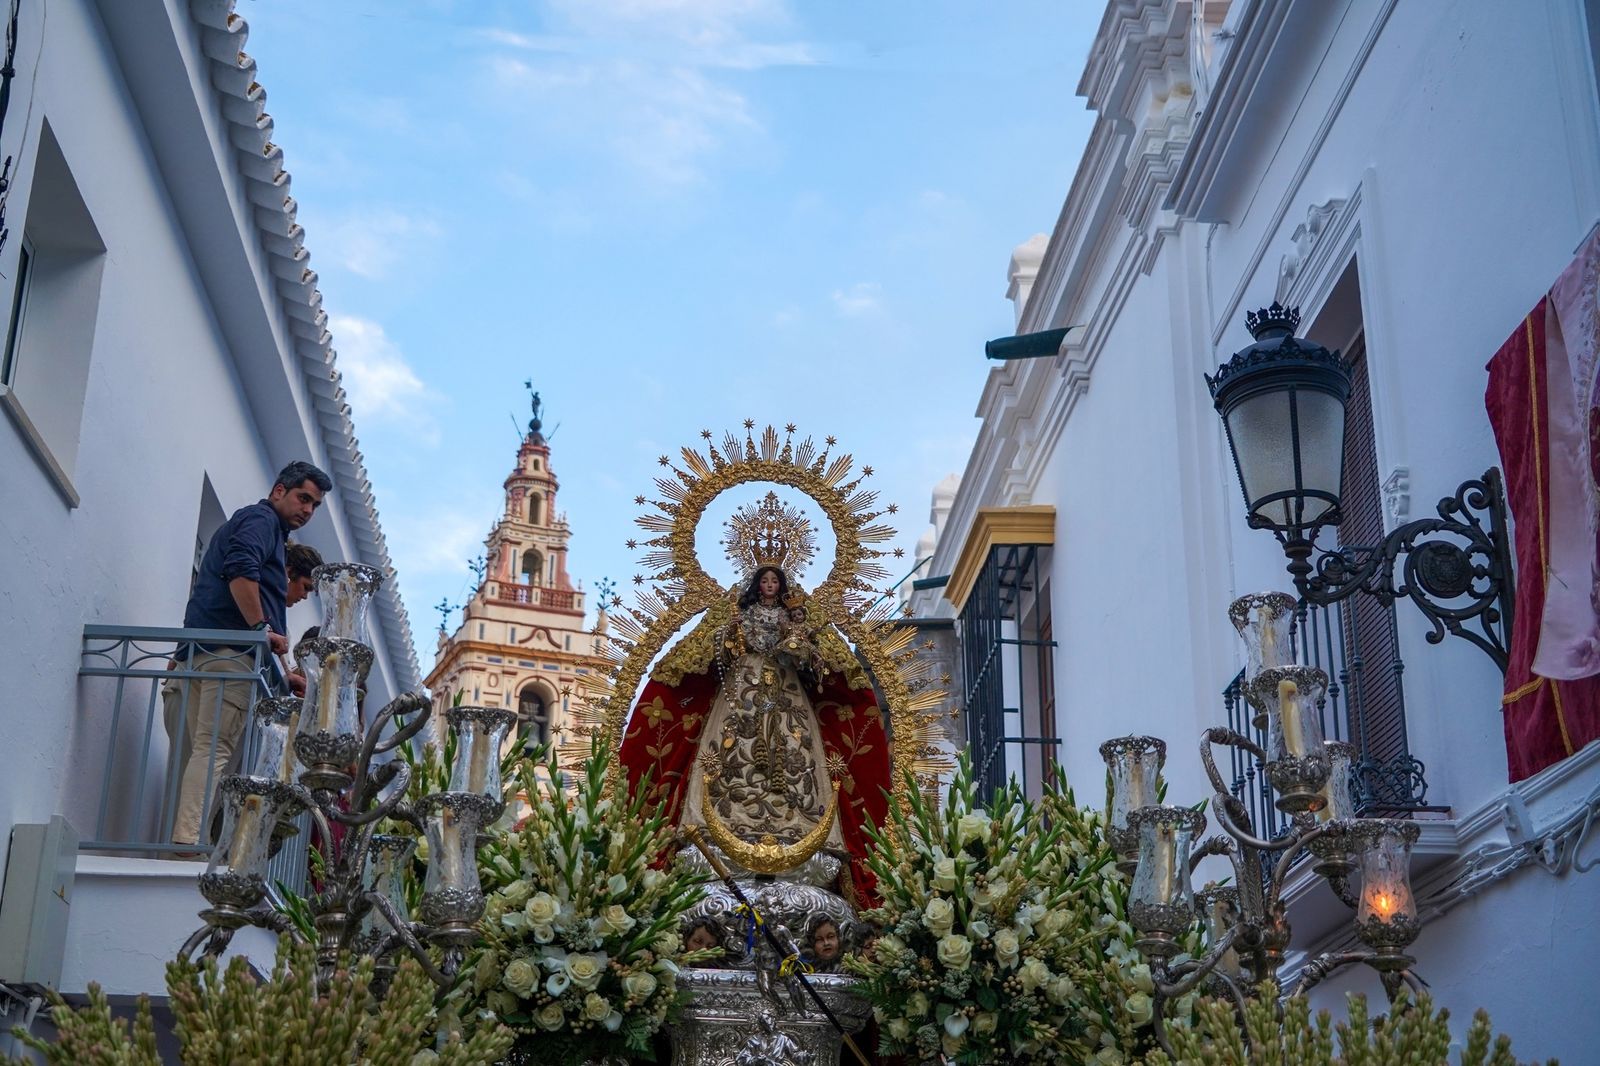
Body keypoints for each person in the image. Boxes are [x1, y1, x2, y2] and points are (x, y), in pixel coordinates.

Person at [620, 562, 893, 903]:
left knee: (794, 748)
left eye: (773, 581)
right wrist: (731, 635)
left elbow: (819, 662)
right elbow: (715, 652)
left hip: (786, 690)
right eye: (764, 581)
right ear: (756, 585)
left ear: (781, 586)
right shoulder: (739, 612)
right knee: (733, 748)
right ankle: (711, 830)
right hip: (742, 688)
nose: (768, 586)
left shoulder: (794, 616)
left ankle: (797, 829)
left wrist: (800, 643)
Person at [165, 461, 330, 845]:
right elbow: (241, 570)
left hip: (203, 653)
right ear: (279, 491)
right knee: (214, 751)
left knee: (197, 756)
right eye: (303, 498)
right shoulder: (261, 522)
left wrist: (281, 671)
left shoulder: (261, 527)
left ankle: (181, 843)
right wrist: (260, 630)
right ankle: (188, 843)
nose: (307, 509)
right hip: (231, 655)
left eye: (315, 505)